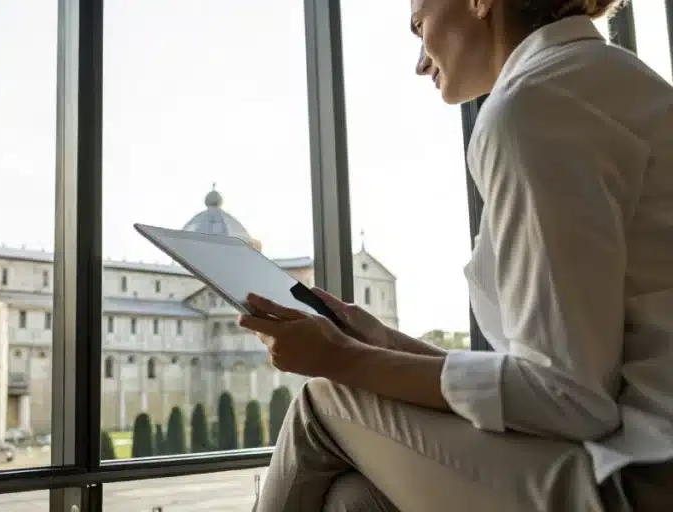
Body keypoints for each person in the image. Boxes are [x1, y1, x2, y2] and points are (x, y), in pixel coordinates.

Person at [241, 1, 673, 510]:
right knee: (351, 501)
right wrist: (384, 343)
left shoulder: (530, 107)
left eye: (419, 28)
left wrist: (341, 359)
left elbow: (568, 396)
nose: (420, 62)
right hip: (643, 451)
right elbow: (565, 375)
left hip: (639, 479)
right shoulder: (624, 83)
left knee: (321, 403)